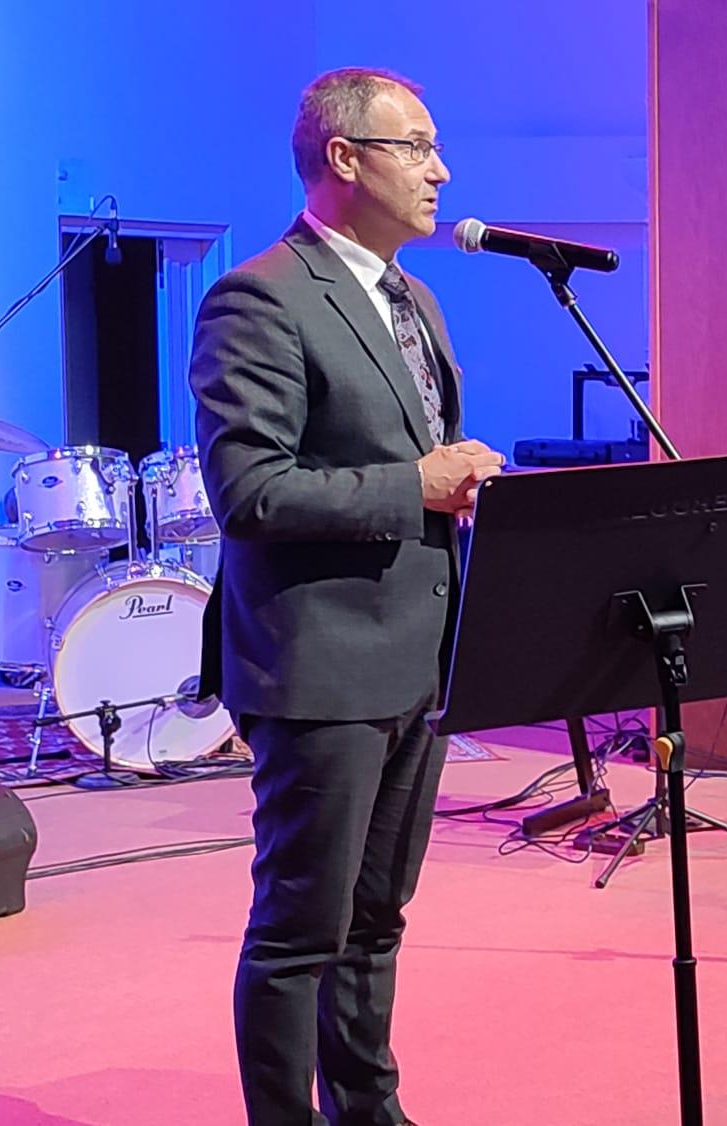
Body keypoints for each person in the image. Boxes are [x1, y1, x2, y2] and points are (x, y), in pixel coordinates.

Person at [190, 66, 503, 1126]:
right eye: (415, 146)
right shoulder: (259, 297)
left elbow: (405, 459)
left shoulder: (415, 298)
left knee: (376, 920)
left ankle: (368, 1110)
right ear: (344, 158)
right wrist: (416, 483)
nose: (439, 170)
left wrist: (456, 482)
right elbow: (249, 492)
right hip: (318, 662)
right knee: (300, 932)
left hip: (416, 654)